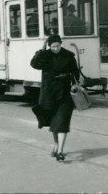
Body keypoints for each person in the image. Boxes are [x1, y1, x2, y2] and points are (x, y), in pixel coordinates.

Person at [30, 34, 79, 162]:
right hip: (49, 94)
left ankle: (60, 151)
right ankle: (56, 145)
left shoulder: (68, 55)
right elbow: (34, 64)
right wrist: (41, 50)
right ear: (49, 46)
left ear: (60, 44)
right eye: (53, 47)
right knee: (54, 123)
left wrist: (75, 83)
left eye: (57, 46)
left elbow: (75, 72)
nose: (56, 49)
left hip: (65, 93)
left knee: (62, 122)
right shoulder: (45, 55)